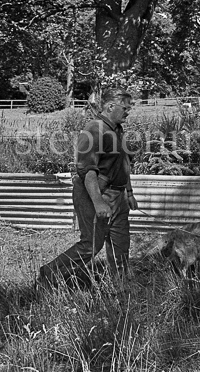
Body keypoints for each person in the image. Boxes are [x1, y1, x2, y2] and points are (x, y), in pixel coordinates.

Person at [38, 89, 138, 286]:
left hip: (117, 195)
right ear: (111, 107)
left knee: (121, 243)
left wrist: (129, 192)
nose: (128, 112)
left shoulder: (117, 129)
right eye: (125, 108)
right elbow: (87, 171)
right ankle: (48, 275)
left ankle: (121, 287)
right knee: (91, 245)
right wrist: (99, 202)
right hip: (95, 194)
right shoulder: (94, 130)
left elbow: (123, 164)